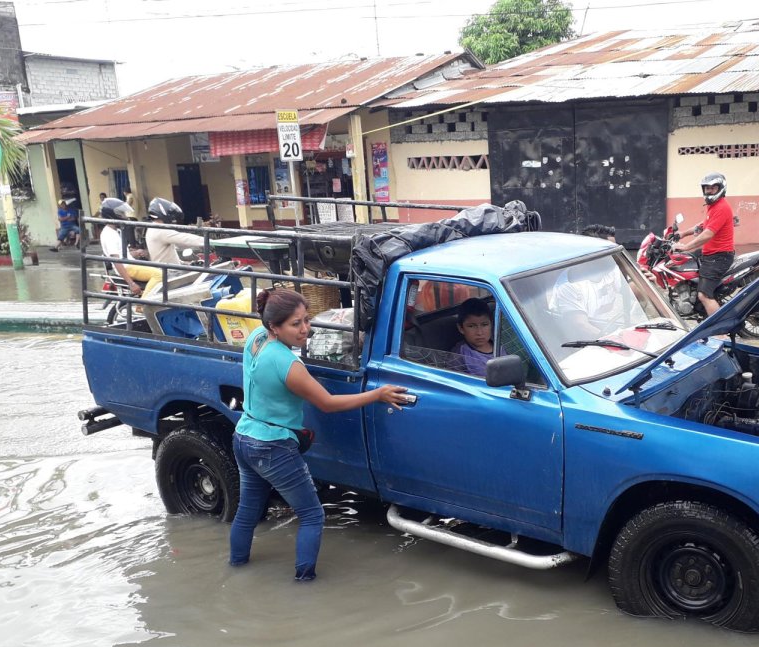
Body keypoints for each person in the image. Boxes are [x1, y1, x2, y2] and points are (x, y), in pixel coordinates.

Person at [229, 288, 408, 581]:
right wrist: (378, 394)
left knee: (248, 510)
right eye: (295, 324)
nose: (305, 329)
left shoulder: (256, 339)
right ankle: (304, 584)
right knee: (312, 515)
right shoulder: (288, 364)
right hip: (273, 446)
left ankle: (236, 568)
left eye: (306, 320)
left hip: (244, 437)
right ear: (275, 326)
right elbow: (327, 403)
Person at [675, 172, 734, 318]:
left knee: (704, 295)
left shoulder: (721, 207)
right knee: (681, 260)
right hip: (710, 253)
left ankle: (720, 330)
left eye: (713, 188)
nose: (709, 191)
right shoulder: (713, 206)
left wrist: (686, 246)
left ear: (720, 188)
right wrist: (682, 234)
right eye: (706, 188)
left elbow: (707, 233)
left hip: (719, 256)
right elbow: (703, 225)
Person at [97, 197, 163, 296]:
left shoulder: (114, 231)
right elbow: (116, 261)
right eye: (122, 214)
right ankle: (144, 304)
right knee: (159, 275)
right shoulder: (109, 235)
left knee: (162, 270)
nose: (125, 216)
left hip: (130, 265)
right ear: (114, 215)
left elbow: (121, 254)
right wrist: (131, 283)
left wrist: (136, 253)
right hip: (128, 268)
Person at [144, 197, 206, 265]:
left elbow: (169, 256)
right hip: (170, 272)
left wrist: (186, 264)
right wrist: (210, 241)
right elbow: (185, 238)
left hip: (168, 269)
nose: (173, 219)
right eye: (171, 216)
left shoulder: (152, 228)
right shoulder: (160, 230)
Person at [452, 298, 501, 376]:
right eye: (471, 326)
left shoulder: (498, 346)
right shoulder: (460, 354)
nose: (479, 332)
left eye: (484, 325)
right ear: (461, 328)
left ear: (491, 324)